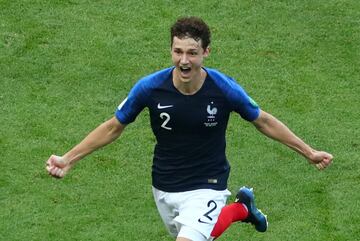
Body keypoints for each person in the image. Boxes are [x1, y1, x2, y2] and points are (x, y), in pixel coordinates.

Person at [46, 16, 333, 241]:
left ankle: (235, 207)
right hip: (165, 185)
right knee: (200, 234)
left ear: (206, 52)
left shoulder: (223, 89)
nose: (184, 60)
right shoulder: (149, 88)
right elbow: (112, 127)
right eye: (178, 51)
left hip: (208, 184)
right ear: (170, 50)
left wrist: (308, 152)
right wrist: (68, 158)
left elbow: (263, 120)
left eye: (192, 53)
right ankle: (242, 209)